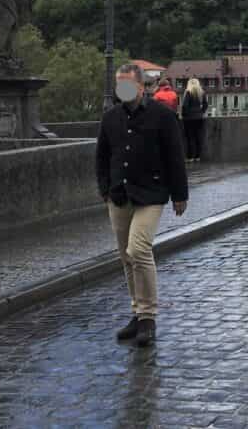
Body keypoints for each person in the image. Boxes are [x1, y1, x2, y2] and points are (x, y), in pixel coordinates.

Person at [97, 63, 189, 348]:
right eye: (118, 85)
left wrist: (179, 194)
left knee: (138, 249)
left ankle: (148, 318)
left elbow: (175, 156)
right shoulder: (110, 117)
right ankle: (137, 313)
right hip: (120, 194)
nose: (122, 90)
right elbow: (102, 155)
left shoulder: (162, 116)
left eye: (127, 85)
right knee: (126, 257)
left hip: (151, 193)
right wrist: (105, 189)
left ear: (140, 86)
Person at [180, 78, 207, 163]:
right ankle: (197, 156)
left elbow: (184, 106)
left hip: (189, 118)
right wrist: (201, 112)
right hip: (199, 118)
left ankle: (190, 157)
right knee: (198, 137)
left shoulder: (188, 92)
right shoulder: (201, 92)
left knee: (190, 138)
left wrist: (184, 115)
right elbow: (205, 104)